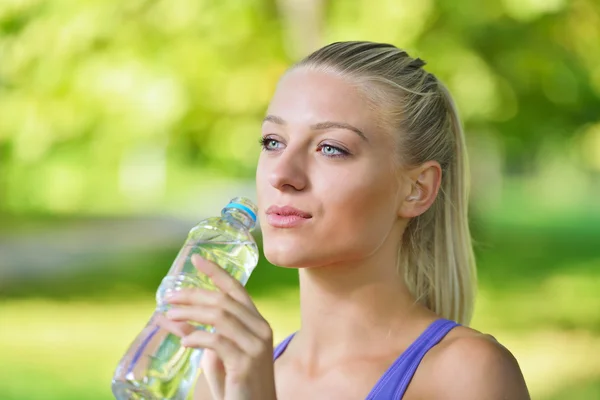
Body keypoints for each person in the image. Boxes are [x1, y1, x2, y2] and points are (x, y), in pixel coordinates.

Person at [164, 41, 531, 399]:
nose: (282, 174)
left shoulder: (468, 375)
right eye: (273, 142)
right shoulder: (220, 378)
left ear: (417, 188)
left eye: (331, 148)